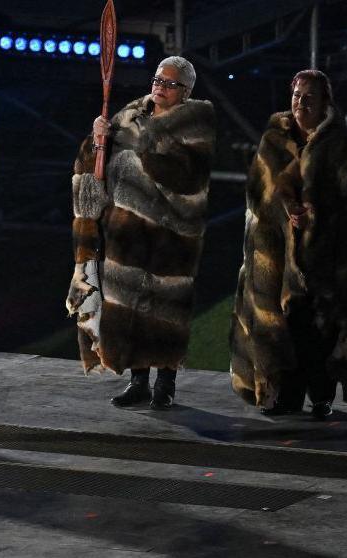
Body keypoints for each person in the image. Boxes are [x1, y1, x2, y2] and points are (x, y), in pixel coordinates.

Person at [229, 70, 347, 421]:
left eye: (309, 97)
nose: (301, 103)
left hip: (328, 257)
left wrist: (317, 216)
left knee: (325, 329)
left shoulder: (341, 147)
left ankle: (325, 396)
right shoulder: (273, 141)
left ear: (325, 104)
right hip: (277, 255)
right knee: (283, 327)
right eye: (297, 95)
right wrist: (286, 209)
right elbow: (257, 196)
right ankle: (287, 395)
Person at [66, 56, 216, 410]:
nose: (160, 88)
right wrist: (97, 139)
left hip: (170, 232)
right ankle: (138, 381)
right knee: (129, 306)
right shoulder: (129, 116)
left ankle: (165, 383)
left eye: (169, 83)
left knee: (165, 310)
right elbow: (93, 164)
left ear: (186, 91)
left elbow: (185, 174)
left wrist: (137, 143)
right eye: (157, 80)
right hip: (127, 229)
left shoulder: (195, 124)